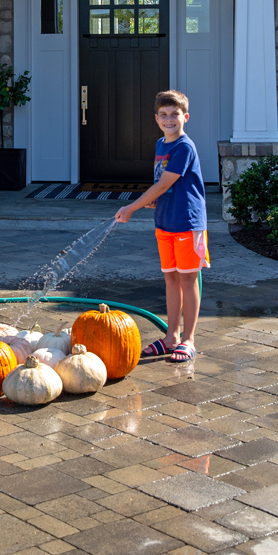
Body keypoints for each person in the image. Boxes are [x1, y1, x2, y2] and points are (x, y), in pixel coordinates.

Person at [114, 89, 208, 363]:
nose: (169, 120)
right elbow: (162, 182)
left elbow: (164, 182)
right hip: (165, 221)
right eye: (164, 115)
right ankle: (172, 337)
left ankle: (188, 340)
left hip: (188, 223)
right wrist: (155, 201)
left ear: (185, 117)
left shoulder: (184, 147)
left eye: (174, 115)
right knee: (170, 279)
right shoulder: (161, 145)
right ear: (156, 119)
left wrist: (132, 206)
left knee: (188, 280)